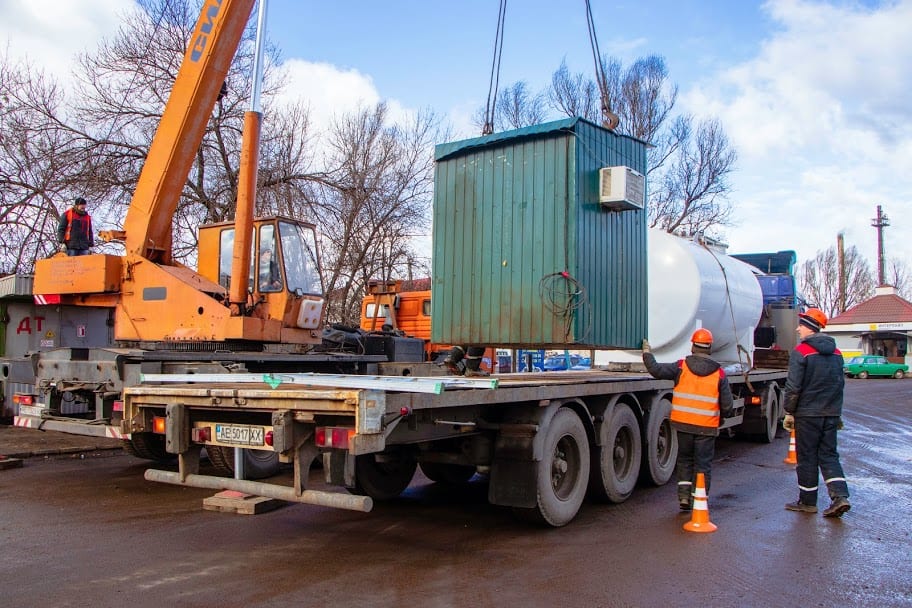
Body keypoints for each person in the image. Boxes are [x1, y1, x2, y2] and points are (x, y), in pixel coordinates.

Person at [642, 329, 734, 511]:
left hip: (683, 424)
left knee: (684, 460)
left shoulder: (681, 367)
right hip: (706, 428)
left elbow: (657, 370)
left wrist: (647, 354)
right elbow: (728, 406)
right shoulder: (720, 374)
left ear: (692, 346)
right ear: (709, 348)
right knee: (703, 465)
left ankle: (684, 498)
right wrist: (720, 420)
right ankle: (699, 500)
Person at [782, 307, 851, 517]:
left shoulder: (801, 352)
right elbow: (839, 385)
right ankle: (840, 497)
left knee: (807, 457)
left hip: (807, 414)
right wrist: (836, 414)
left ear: (810, 328)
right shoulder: (837, 354)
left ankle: (808, 502)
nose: (797, 329)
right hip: (830, 413)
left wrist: (789, 412)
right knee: (829, 455)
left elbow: (793, 386)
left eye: (801, 325)